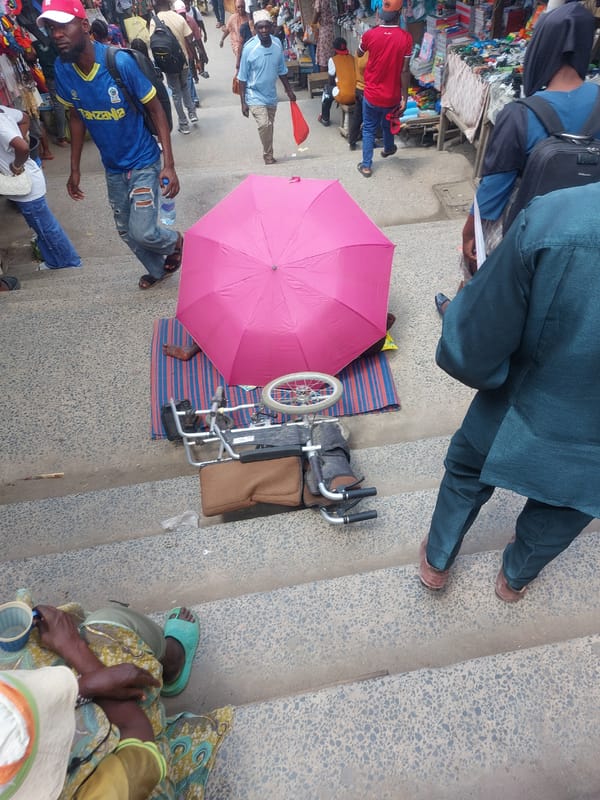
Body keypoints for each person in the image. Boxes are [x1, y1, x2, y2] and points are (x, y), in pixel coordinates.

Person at [420, 180, 600, 603]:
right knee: (570, 500)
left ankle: (438, 561)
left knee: (468, 469)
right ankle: (515, 578)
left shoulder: (558, 216)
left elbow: (474, 344)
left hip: (522, 404)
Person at [435, 2, 598, 315]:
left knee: (479, 262)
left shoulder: (520, 115)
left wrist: (469, 233)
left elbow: (493, 192)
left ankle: (461, 320)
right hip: (588, 228)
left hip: (530, 227)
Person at [0, 598, 232, 798]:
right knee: (109, 624)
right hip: (133, 765)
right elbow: (139, 737)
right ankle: (171, 664)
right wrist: (76, 649)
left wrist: (85, 685)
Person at [42, 0, 184, 290]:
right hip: (113, 167)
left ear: (83, 26)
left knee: (142, 231)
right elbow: (76, 115)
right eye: (52, 28)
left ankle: (177, 241)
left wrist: (168, 163)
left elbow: (155, 109)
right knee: (125, 231)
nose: (57, 34)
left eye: (63, 26)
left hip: (143, 160)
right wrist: (74, 168)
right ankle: (158, 270)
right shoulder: (63, 68)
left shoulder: (119, 63)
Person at [0, 104, 81, 271]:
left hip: (26, 183)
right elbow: (24, 118)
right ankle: (54, 261)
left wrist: (16, 164)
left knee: (46, 228)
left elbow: (22, 148)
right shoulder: (4, 111)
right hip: (26, 181)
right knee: (40, 227)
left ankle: (70, 262)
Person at [356, 5, 412, 177]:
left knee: (369, 129)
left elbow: (359, 54)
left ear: (380, 16)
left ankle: (366, 166)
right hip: (392, 95)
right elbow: (404, 70)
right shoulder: (406, 38)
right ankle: (388, 148)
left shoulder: (370, 35)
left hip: (372, 93)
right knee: (388, 122)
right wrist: (405, 96)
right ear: (399, 16)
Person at [237, 10, 296, 165]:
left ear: (271, 26)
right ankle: (268, 156)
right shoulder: (249, 48)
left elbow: (281, 70)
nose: (263, 30)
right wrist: (243, 102)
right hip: (253, 94)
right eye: (260, 28)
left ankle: (269, 152)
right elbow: (242, 77)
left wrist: (289, 90)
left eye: (266, 27)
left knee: (269, 126)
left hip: (271, 95)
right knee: (264, 124)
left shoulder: (277, 44)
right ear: (255, 29)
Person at [150, 0, 200, 135]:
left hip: (168, 64)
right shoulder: (178, 17)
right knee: (185, 87)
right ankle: (192, 113)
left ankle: (183, 124)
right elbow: (189, 37)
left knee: (176, 93)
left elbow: (152, 42)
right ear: (170, 5)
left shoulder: (154, 20)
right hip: (182, 60)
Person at [318, 37, 356, 128]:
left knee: (327, 90)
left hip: (344, 96)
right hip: (356, 94)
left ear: (334, 48)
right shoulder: (352, 58)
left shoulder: (333, 60)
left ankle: (325, 118)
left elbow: (331, 81)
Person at [348, 49, 368, 151]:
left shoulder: (358, 51)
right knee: (368, 119)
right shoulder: (368, 53)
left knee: (357, 116)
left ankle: (352, 141)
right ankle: (369, 143)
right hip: (366, 89)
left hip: (359, 87)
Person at [312, 0, 334, 72]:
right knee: (332, 56)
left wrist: (312, 24)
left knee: (324, 59)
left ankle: (325, 80)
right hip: (334, 29)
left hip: (325, 31)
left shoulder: (319, 1)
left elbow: (316, 13)